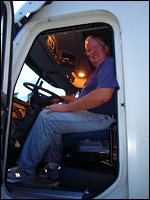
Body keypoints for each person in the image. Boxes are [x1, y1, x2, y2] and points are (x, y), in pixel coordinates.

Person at [7, 35, 119, 184]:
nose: (93, 52)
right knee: (54, 117)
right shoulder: (96, 73)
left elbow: (103, 95)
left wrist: (65, 108)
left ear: (106, 48)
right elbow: (81, 101)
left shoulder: (108, 63)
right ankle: (52, 168)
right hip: (92, 113)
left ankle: (25, 170)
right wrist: (61, 98)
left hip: (102, 118)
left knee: (47, 118)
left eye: (96, 48)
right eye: (89, 51)